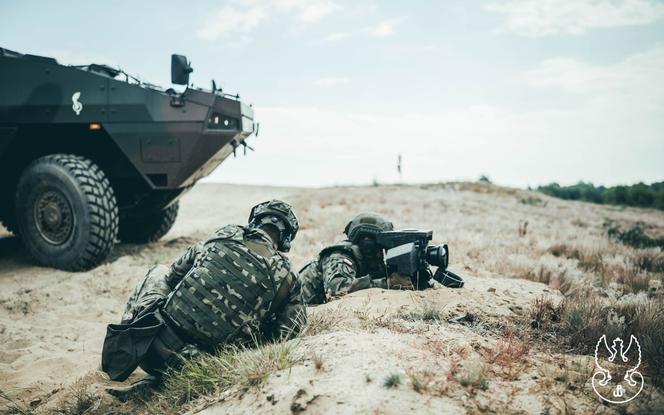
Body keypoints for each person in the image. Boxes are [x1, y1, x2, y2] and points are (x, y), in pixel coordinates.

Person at [101, 199, 304, 400]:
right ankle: (157, 384)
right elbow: (286, 335)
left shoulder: (226, 233)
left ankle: (125, 344)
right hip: (198, 368)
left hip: (149, 345)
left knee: (158, 271)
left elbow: (173, 275)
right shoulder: (288, 276)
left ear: (255, 221)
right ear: (285, 238)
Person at [300, 212, 461, 305]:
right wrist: (388, 283)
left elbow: (382, 277)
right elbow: (337, 291)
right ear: (368, 242)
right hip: (306, 307)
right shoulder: (340, 256)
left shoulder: (371, 259)